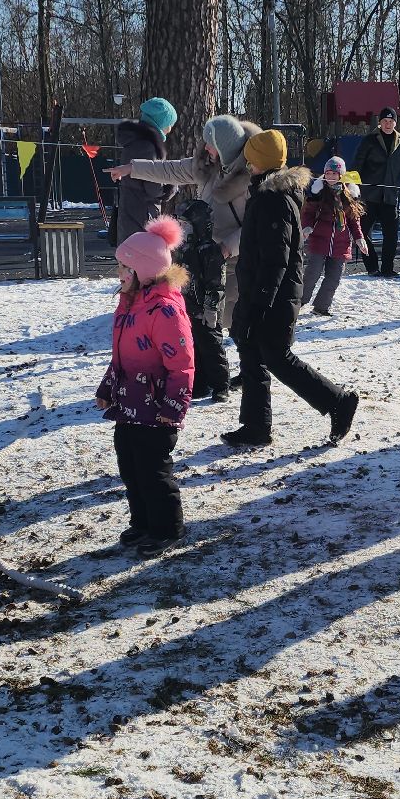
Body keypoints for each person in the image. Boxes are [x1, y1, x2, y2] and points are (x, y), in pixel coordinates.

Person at [223, 130, 360, 449]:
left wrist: (259, 304)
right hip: (261, 292)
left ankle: (338, 401)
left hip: (273, 297)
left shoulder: (273, 199)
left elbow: (276, 259)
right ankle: (256, 426)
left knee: (277, 357)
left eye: (251, 159)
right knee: (253, 355)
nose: (247, 164)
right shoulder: (265, 192)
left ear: (260, 162)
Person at [108, 114, 262, 390]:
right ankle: (205, 377)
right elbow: (171, 169)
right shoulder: (208, 165)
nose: (206, 149)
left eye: (211, 144)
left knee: (237, 320)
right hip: (204, 252)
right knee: (202, 318)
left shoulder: (251, 175)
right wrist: (134, 168)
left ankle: (249, 373)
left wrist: (228, 247)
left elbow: (254, 223)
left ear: (226, 146)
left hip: (235, 256)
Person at [96, 216, 195, 558]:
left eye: (124, 268)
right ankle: (143, 522)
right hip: (128, 404)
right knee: (130, 467)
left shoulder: (164, 310)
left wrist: (173, 408)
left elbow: (181, 365)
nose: (119, 275)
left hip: (156, 409)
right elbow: (120, 357)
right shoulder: (128, 304)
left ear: (144, 270)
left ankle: (167, 527)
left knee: (154, 472)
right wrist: (108, 387)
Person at [350, 107, 400, 276]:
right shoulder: (369, 141)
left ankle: (387, 269)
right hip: (369, 196)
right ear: (380, 122)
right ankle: (372, 267)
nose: (388, 124)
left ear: (395, 123)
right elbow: (357, 165)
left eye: (391, 121)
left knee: (391, 236)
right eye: (385, 121)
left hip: (389, 197)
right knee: (362, 233)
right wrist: (350, 186)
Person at [300, 157, 368, 316]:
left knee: (334, 277)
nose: (330, 176)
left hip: (341, 243)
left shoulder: (349, 195)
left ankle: (321, 306)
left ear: (341, 175)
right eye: (328, 173)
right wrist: (307, 227)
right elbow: (308, 212)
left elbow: (353, 219)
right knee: (312, 273)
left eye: (334, 173)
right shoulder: (318, 193)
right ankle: (300, 301)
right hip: (319, 240)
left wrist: (359, 238)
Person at [177, 198, 230, 401]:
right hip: (188, 308)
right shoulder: (184, 250)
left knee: (212, 346)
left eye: (186, 225)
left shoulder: (211, 251)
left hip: (208, 309)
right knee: (193, 348)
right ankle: (200, 383)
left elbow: (216, 283)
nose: (182, 229)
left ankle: (220, 385)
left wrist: (211, 308)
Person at [112, 97, 177, 244]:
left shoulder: (134, 142)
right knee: (145, 260)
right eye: (170, 124)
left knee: (130, 258)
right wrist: (171, 186)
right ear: (161, 123)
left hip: (130, 211)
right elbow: (153, 187)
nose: (171, 128)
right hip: (143, 214)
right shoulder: (148, 146)